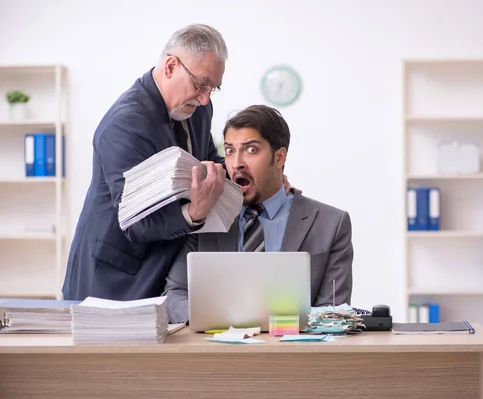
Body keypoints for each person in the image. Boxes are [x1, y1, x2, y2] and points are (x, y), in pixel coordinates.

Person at [62, 24, 230, 301]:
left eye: (213, 88)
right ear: (170, 66)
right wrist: (195, 212)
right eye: (201, 84)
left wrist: (252, 176)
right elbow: (136, 222)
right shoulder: (126, 124)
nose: (205, 98)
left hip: (164, 266)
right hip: (113, 277)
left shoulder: (198, 109)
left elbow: (208, 161)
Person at [163, 105, 353, 324]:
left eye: (251, 150)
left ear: (280, 157)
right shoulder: (206, 217)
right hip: (218, 351)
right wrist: (217, 321)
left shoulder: (331, 224)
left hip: (294, 354)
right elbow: (174, 294)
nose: (236, 163)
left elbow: (333, 312)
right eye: (230, 150)